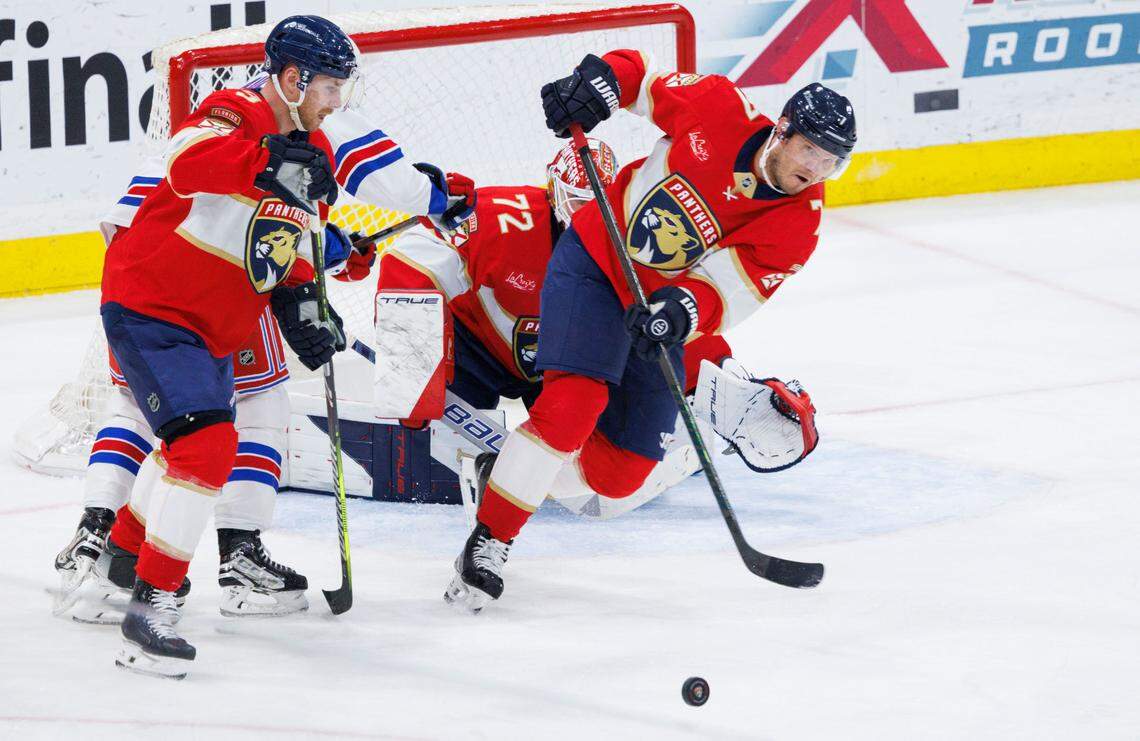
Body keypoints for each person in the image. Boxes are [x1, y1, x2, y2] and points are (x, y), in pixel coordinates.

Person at [76, 14, 475, 679]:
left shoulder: (306, 149)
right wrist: (268, 161)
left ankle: (123, 561)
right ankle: (150, 608)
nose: (337, 101)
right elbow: (185, 161)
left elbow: (282, 248)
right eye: (328, 87)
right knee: (204, 444)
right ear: (291, 79)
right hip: (152, 305)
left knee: (205, 441)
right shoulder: (235, 112)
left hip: (208, 323)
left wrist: (308, 304)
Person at [443, 51, 854, 613]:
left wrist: (682, 309)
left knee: (619, 474)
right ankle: (490, 539)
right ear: (782, 131)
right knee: (572, 406)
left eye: (832, 162)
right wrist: (596, 87)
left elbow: (731, 288)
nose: (816, 170)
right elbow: (638, 77)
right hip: (594, 262)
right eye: (810, 151)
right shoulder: (719, 107)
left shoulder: (798, 225)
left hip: (656, 312)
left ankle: (505, 475)